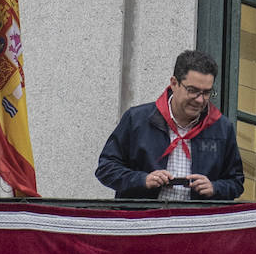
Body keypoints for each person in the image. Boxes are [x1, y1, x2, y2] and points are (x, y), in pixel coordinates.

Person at [95, 50, 245, 200]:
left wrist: (215, 188)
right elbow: (106, 168)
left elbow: (236, 182)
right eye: (192, 91)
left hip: (197, 220)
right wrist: (142, 180)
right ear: (174, 83)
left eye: (206, 93)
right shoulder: (137, 119)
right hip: (144, 219)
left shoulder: (222, 128)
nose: (200, 100)